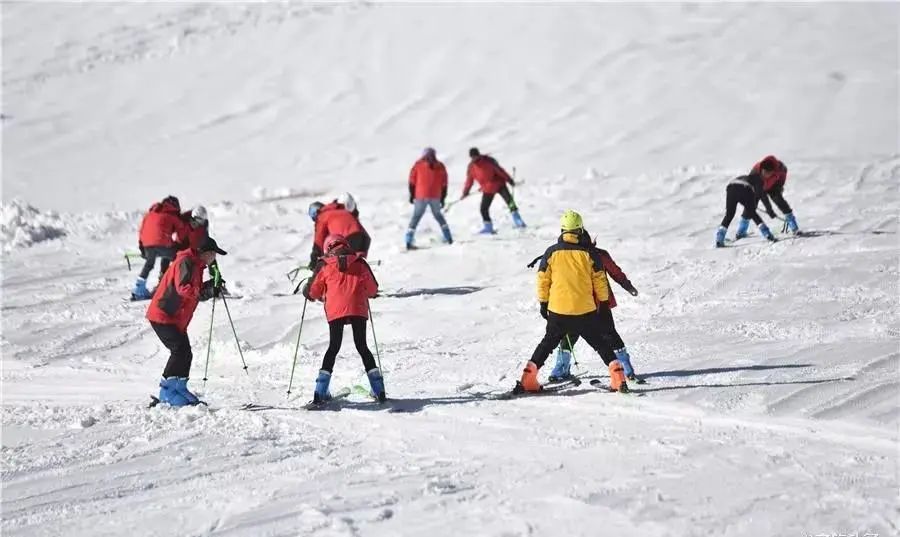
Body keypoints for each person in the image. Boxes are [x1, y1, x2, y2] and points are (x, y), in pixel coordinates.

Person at [517, 210, 629, 394]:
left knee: (547, 344)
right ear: (580, 229)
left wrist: (544, 303)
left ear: (562, 230)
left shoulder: (551, 252)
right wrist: (602, 303)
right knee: (600, 344)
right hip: (585, 311)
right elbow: (600, 280)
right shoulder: (588, 253)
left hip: (558, 311)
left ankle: (528, 378)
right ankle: (618, 377)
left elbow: (542, 279)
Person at [545, 229, 641, 382]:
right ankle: (627, 370)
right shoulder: (597, 254)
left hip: (580, 305)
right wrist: (627, 286)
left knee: (570, 336)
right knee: (610, 335)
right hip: (597, 304)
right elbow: (616, 272)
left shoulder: (573, 256)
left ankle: (559, 370)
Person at [146, 236, 228, 406]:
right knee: (179, 351)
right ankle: (166, 391)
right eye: (213, 254)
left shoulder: (196, 265)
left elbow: (192, 287)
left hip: (174, 317)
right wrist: (206, 291)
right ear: (205, 253)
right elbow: (184, 289)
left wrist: (210, 286)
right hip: (163, 314)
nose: (214, 258)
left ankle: (179, 387)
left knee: (185, 353)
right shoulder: (186, 262)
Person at [302, 234, 384, 404]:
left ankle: (320, 392)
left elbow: (313, 292)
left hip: (335, 310)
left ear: (328, 248)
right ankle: (379, 390)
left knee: (333, 347)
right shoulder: (360, 262)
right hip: (357, 309)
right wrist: (369, 293)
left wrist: (307, 291)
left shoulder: (324, 265)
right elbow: (373, 289)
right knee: (362, 346)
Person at [132, 196, 186, 300]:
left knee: (149, 264)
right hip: (162, 244)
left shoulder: (149, 214)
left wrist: (141, 247)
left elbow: (142, 230)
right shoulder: (171, 215)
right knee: (177, 257)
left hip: (147, 245)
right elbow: (181, 228)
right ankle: (167, 282)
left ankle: (139, 289)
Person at [461, 147, 526, 234]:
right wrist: (465, 192)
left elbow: (500, 171)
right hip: (487, 189)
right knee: (483, 208)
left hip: (499, 185)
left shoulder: (488, 161)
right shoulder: (471, 167)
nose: (474, 158)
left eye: (475, 156)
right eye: (472, 157)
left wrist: (510, 180)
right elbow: (469, 180)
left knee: (510, 202)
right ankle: (488, 227)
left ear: (478, 155)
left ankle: (518, 221)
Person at [715, 168, 778, 247]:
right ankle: (768, 234)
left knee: (729, 215)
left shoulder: (747, 177)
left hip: (731, 187)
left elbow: (738, 191)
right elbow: (762, 196)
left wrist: (744, 201)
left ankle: (719, 238)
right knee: (753, 214)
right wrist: (769, 210)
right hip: (745, 188)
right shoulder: (759, 180)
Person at [406, 147, 453, 249]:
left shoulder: (418, 165)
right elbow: (444, 183)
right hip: (435, 196)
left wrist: (412, 195)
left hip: (420, 195)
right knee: (438, 216)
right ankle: (448, 237)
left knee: (416, 217)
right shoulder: (440, 166)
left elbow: (412, 181)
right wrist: (443, 198)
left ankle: (409, 240)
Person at [307, 199, 371, 269]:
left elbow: (319, 241)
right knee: (356, 265)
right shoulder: (341, 210)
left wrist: (314, 261)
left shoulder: (322, 216)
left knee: (345, 266)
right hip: (364, 238)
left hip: (350, 238)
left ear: (316, 212)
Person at [748, 155, 800, 235]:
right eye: (763, 172)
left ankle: (794, 227)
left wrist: (779, 186)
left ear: (773, 171)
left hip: (773, 187)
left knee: (782, 204)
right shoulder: (755, 171)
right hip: (759, 188)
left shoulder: (781, 168)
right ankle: (741, 231)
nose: (765, 175)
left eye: (768, 173)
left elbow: (783, 176)